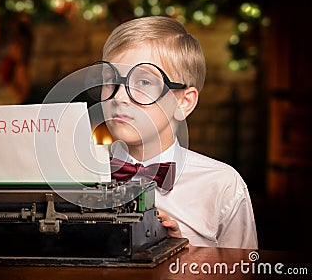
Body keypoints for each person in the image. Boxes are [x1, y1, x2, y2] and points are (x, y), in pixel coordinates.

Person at [96, 16, 258, 249]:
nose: (119, 97)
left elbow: (242, 272)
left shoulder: (222, 185)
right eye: (110, 81)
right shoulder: (74, 174)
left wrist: (181, 254)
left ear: (184, 102)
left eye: (143, 82)